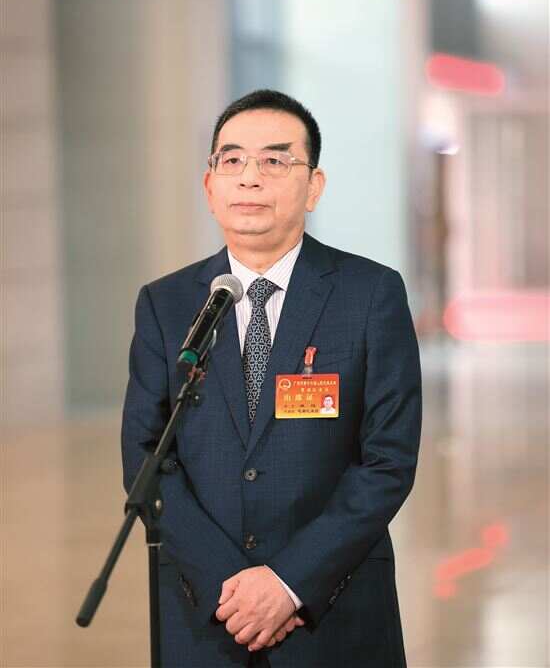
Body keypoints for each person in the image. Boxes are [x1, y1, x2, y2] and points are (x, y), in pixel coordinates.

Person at [121, 89, 422, 667]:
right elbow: (145, 456)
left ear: (314, 186)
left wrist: (287, 583)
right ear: (209, 186)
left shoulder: (370, 294)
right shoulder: (166, 303)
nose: (249, 177)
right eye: (231, 160)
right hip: (206, 614)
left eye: (275, 160)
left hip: (332, 614)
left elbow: (387, 460)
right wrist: (228, 585)